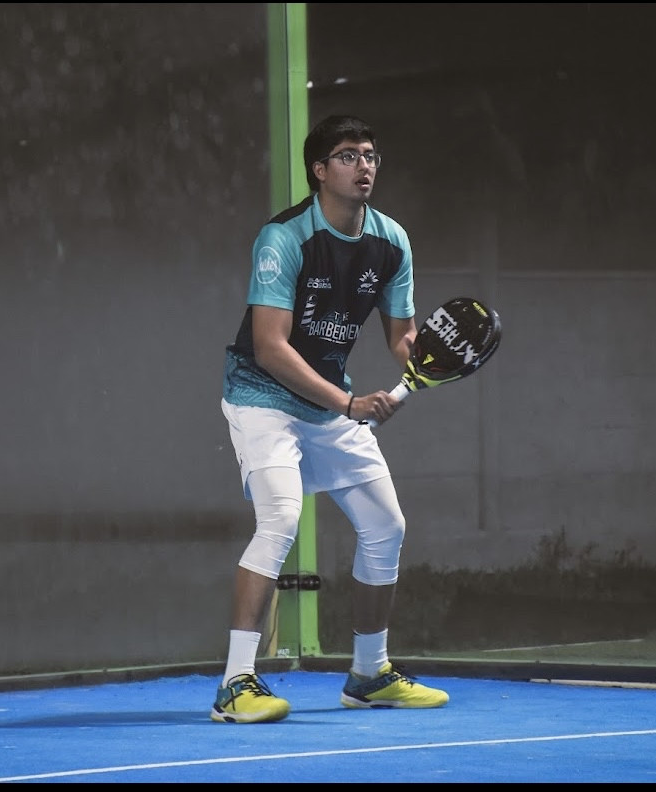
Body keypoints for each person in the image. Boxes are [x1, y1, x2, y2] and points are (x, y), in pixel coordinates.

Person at [211, 114, 449, 723]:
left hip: (327, 405)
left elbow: (402, 338)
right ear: (319, 170)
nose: (363, 166)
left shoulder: (392, 241)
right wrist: (348, 404)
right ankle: (235, 685)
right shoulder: (283, 238)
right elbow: (270, 347)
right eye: (348, 156)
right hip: (262, 397)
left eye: (370, 155)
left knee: (386, 525)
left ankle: (369, 675)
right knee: (281, 518)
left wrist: (429, 362)